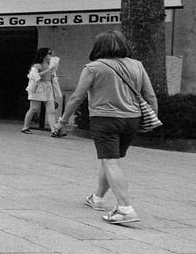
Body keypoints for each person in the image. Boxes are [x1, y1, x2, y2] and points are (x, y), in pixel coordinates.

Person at [55, 30, 154, 225]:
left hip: (105, 118)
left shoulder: (94, 67)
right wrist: (151, 119)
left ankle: (125, 209)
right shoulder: (137, 65)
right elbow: (150, 96)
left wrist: (62, 121)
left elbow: (76, 97)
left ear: (98, 47)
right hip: (132, 119)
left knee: (110, 161)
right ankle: (98, 198)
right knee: (112, 159)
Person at [21, 48, 60, 133]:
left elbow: (52, 75)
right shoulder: (37, 65)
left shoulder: (51, 64)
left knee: (51, 110)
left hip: (48, 86)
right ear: (43, 55)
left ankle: (54, 130)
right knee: (34, 108)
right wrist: (48, 71)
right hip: (38, 87)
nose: (51, 55)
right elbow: (33, 76)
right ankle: (25, 127)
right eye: (49, 53)